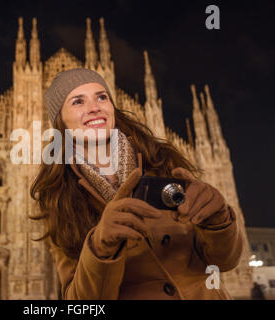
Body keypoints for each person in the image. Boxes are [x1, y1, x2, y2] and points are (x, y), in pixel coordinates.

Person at [30, 68, 244, 300]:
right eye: (78, 102)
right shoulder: (59, 198)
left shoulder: (162, 160)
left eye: (102, 97)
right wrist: (99, 249)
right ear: (60, 121)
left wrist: (218, 222)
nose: (94, 107)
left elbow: (225, 261)